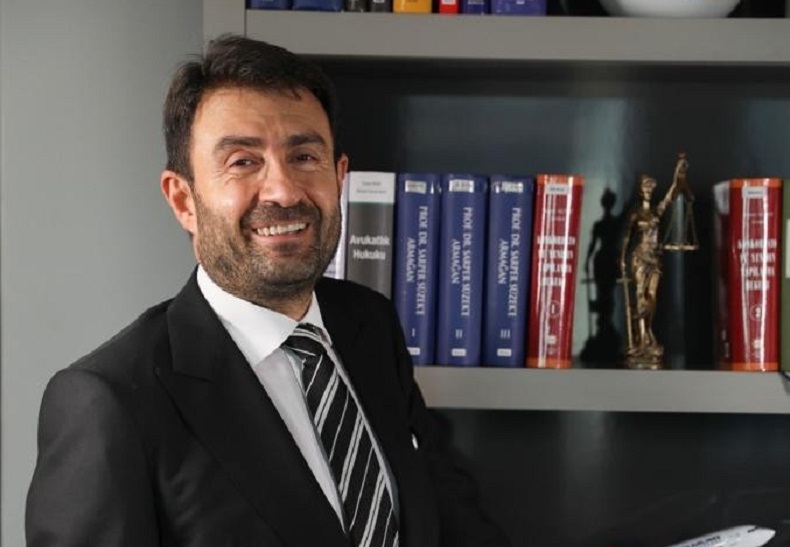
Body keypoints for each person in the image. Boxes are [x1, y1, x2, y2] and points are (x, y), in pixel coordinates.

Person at [25, 35, 512, 547]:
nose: (283, 190)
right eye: (242, 161)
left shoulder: (370, 324)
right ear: (184, 200)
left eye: (304, 156)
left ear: (339, 176)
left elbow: (452, 519)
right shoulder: (109, 401)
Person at [619, 154, 689, 369]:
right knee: (640, 296)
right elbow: (627, 238)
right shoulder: (636, 215)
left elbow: (670, 195)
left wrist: (677, 173)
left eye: (651, 187)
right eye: (645, 187)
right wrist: (622, 259)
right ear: (641, 191)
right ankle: (642, 339)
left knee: (652, 297)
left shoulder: (657, 212)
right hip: (640, 257)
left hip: (655, 259)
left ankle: (648, 331)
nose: (648, 190)